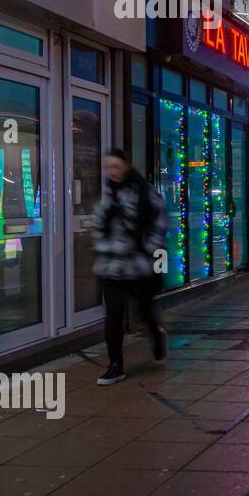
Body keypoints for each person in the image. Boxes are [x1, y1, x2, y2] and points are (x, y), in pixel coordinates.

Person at [91, 148, 168, 385]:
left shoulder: (144, 192)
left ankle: (157, 335)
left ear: (126, 165)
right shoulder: (108, 195)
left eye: (116, 166)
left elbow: (160, 222)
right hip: (111, 266)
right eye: (108, 167)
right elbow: (98, 222)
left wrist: (148, 249)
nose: (112, 172)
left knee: (143, 311)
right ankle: (116, 365)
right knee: (113, 315)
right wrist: (104, 245)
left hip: (138, 266)